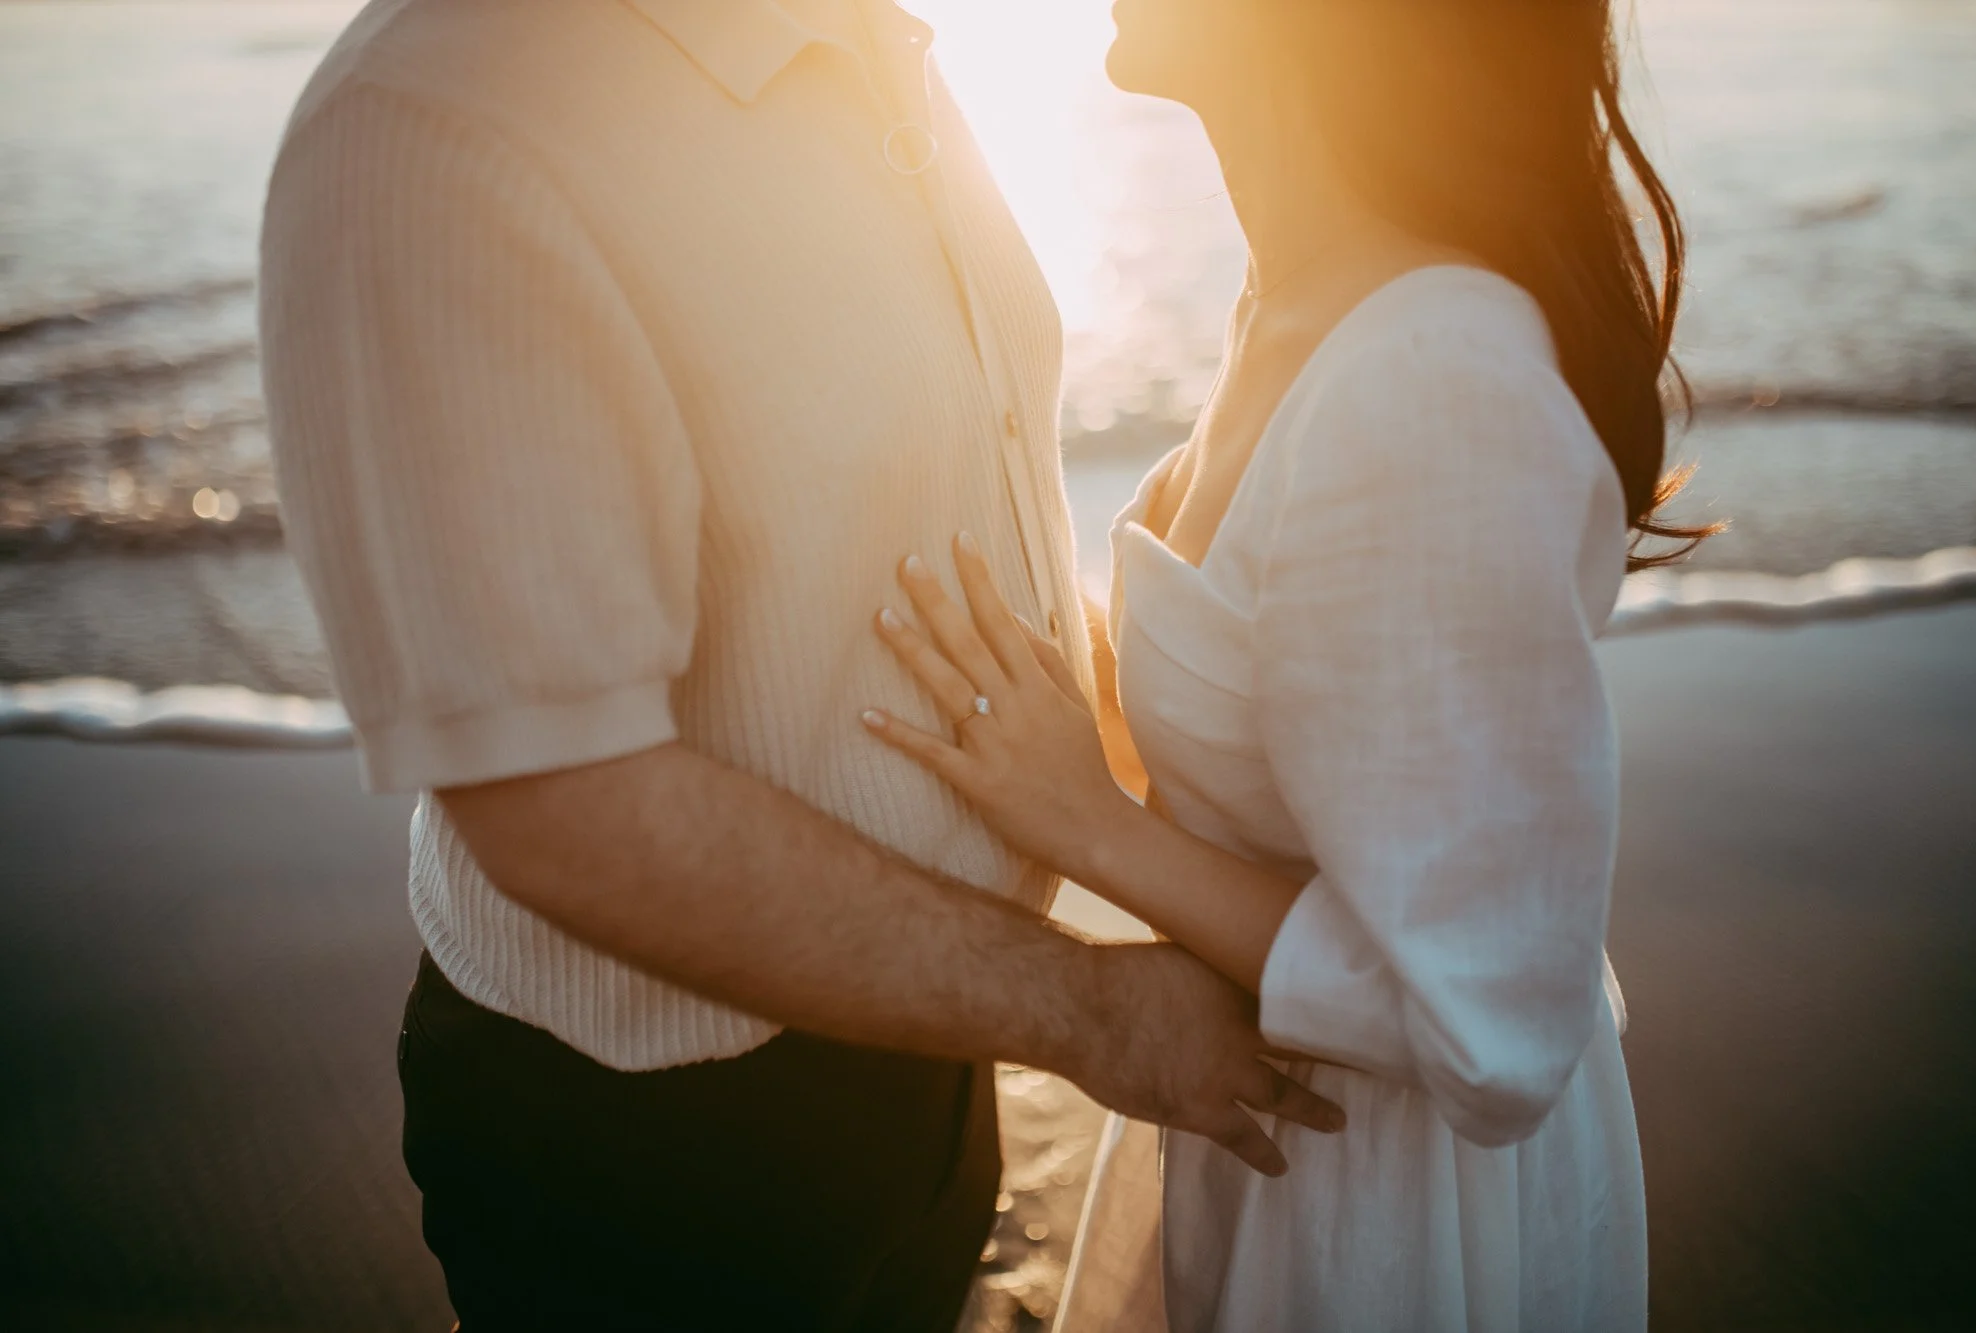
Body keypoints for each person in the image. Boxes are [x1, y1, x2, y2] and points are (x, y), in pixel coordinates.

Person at [256, 1, 1343, 1328]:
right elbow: (556, 802)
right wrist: (1089, 1011)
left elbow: (895, 513)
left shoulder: (861, 39)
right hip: (652, 1144)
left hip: (946, 1038)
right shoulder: (441, 124)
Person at [854, 1, 1716, 1328]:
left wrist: (1090, 825)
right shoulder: (1297, 301)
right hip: (1272, 1131)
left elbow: (1491, 1021)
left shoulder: (1430, 382)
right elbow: (1292, 733)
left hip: (1389, 1212)